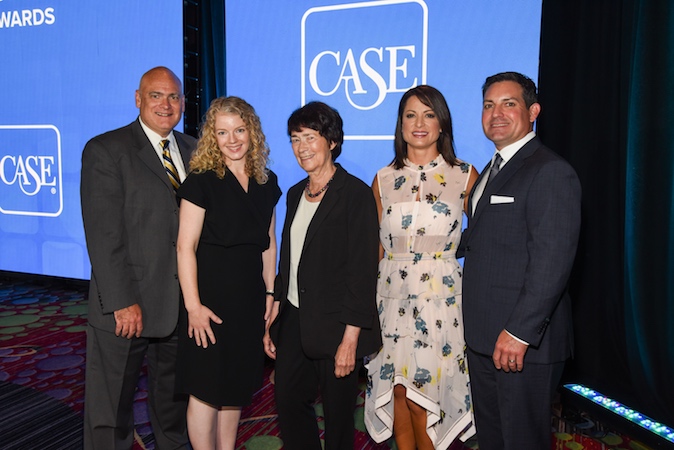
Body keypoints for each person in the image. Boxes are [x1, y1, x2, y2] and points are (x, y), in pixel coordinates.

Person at [457, 72, 581, 449]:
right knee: (494, 440)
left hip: (521, 344)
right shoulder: (492, 170)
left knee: (522, 442)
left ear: (533, 111)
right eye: (488, 105)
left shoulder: (550, 170)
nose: (496, 113)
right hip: (484, 338)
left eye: (509, 103)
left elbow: (553, 261)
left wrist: (520, 332)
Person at [80, 66, 195, 449]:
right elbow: (103, 235)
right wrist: (120, 301)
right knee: (110, 412)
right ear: (138, 99)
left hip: (180, 305)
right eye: (156, 95)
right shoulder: (106, 150)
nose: (166, 104)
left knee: (173, 408)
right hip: (126, 306)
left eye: (174, 96)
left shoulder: (195, 150)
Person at [364, 85, 479, 450]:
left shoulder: (465, 176)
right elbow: (376, 251)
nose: (419, 123)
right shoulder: (382, 179)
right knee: (397, 396)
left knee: (422, 400)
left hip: (440, 303)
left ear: (442, 124)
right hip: (390, 303)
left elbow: (484, 246)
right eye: (410, 115)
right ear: (400, 125)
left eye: (429, 115)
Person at [262, 101, 382, 450]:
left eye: (310, 137)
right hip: (295, 322)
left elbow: (363, 273)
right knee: (288, 404)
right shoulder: (296, 193)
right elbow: (290, 262)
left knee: (338, 417)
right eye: (295, 139)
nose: (302, 147)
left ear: (331, 140)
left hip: (338, 327)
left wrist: (350, 340)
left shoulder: (355, 195)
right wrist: (275, 316)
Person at [174, 96, 281, 449]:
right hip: (209, 303)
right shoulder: (201, 181)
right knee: (205, 391)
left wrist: (270, 294)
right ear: (212, 137)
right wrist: (193, 307)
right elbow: (184, 247)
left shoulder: (267, 182)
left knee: (235, 389)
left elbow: (268, 244)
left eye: (239, 130)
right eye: (222, 132)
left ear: (252, 132)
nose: (232, 139)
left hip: (249, 301)